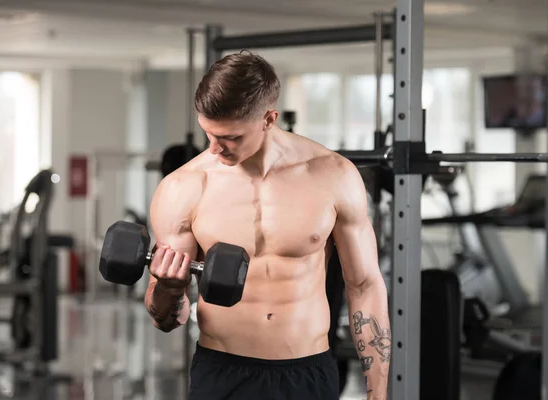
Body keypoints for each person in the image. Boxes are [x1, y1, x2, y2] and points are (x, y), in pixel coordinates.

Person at [144, 51, 391, 400]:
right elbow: (168, 318)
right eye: (208, 134)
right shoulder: (183, 188)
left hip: (307, 372)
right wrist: (169, 290)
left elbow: (364, 284)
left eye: (230, 137)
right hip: (222, 371)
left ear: (269, 119)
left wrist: (378, 392)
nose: (214, 149)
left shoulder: (332, 175)